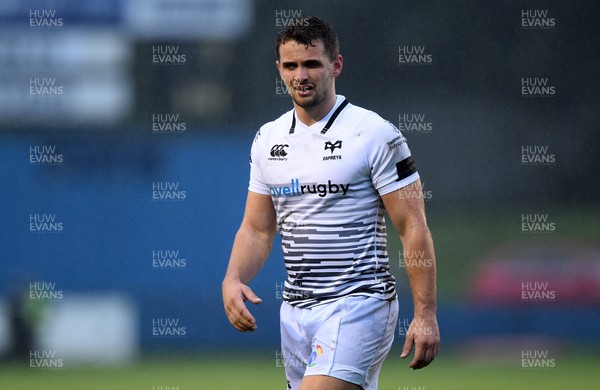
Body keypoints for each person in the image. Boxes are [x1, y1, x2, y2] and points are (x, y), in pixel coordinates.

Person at [222, 16, 439, 390]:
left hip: (360, 302)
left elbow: (412, 226)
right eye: (290, 65)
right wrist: (233, 279)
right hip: (295, 310)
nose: (300, 75)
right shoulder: (266, 139)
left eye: (312, 63)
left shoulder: (374, 134)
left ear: (336, 65)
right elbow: (257, 229)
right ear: (279, 69)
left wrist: (426, 313)